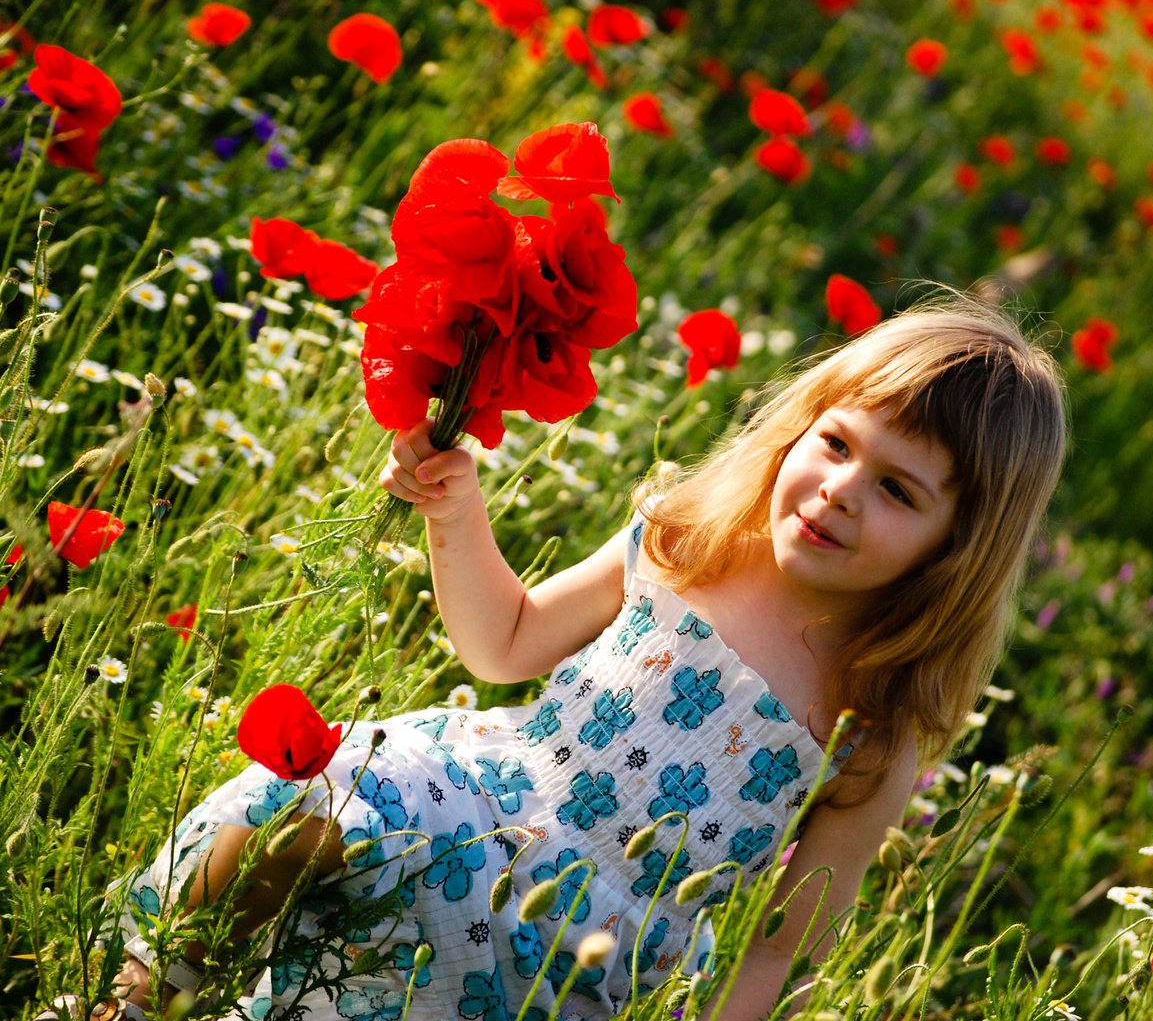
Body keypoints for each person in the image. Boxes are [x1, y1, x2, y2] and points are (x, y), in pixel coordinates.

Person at [44, 295, 1065, 1021]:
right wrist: (457, 512)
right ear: (799, 426)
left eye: (898, 491)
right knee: (319, 800)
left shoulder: (869, 723)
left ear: (954, 545)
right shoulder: (682, 542)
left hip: (578, 959)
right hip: (477, 803)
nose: (841, 488)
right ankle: (140, 995)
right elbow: (505, 642)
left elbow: (786, 943)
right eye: (837, 443)